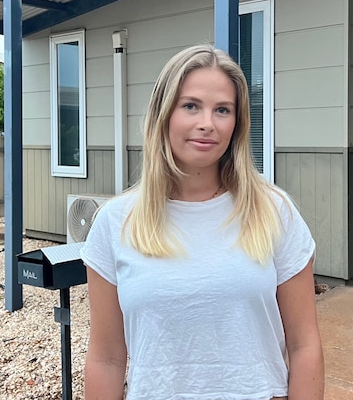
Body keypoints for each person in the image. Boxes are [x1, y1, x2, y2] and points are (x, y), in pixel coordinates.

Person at [80, 44, 324, 399]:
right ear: (164, 114)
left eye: (222, 110)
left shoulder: (274, 211)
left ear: (236, 124)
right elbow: (106, 358)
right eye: (191, 105)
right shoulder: (115, 222)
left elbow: (305, 346)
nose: (207, 123)